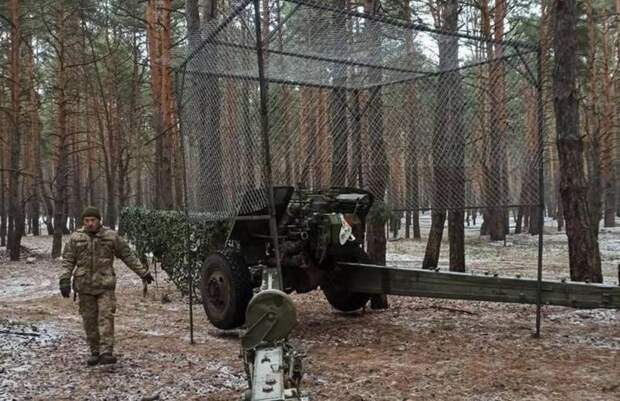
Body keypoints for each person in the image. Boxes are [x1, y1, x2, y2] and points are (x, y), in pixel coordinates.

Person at [59, 206, 154, 366]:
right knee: (89, 320)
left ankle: (106, 352)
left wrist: (143, 272)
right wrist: (64, 279)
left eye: (93, 220)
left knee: (106, 317)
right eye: (87, 221)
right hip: (84, 286)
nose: (90, 224)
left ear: (99, 220)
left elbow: (127, 255)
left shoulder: (110, 237)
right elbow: (68, 260)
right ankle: (94, 351)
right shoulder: (76, 238)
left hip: (105, 285)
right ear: (83, 222)